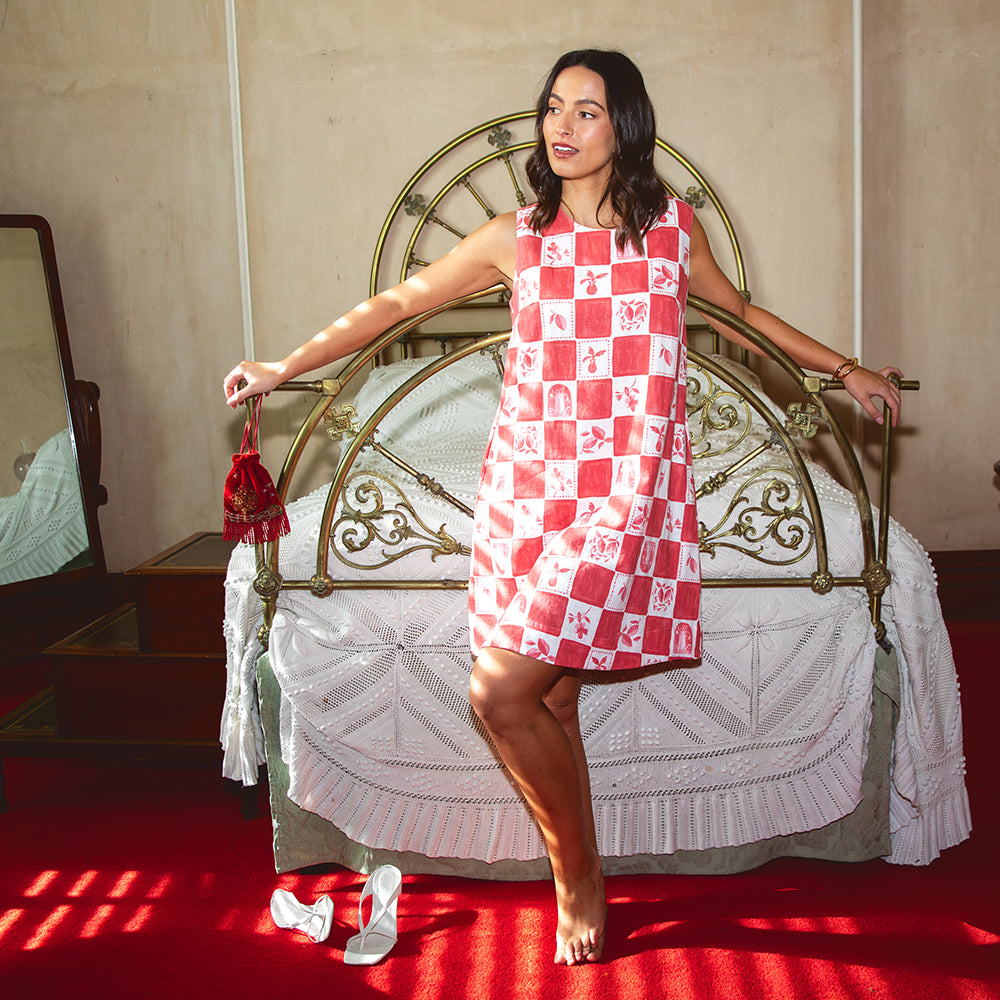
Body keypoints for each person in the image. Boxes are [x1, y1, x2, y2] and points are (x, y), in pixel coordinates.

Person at [224, 49, 902, 966]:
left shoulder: (672, 229)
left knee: (497, 691)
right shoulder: (515, 237)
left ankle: (576, 872)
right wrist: (283, 366)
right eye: (553, 107)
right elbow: (397, 304)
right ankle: (579, 868)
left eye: (587, 110)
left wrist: (845, 369)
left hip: (626, 492)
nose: (563, 126)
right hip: (527, 490)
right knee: (550, 695)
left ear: (626, 125)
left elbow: (743, 317)